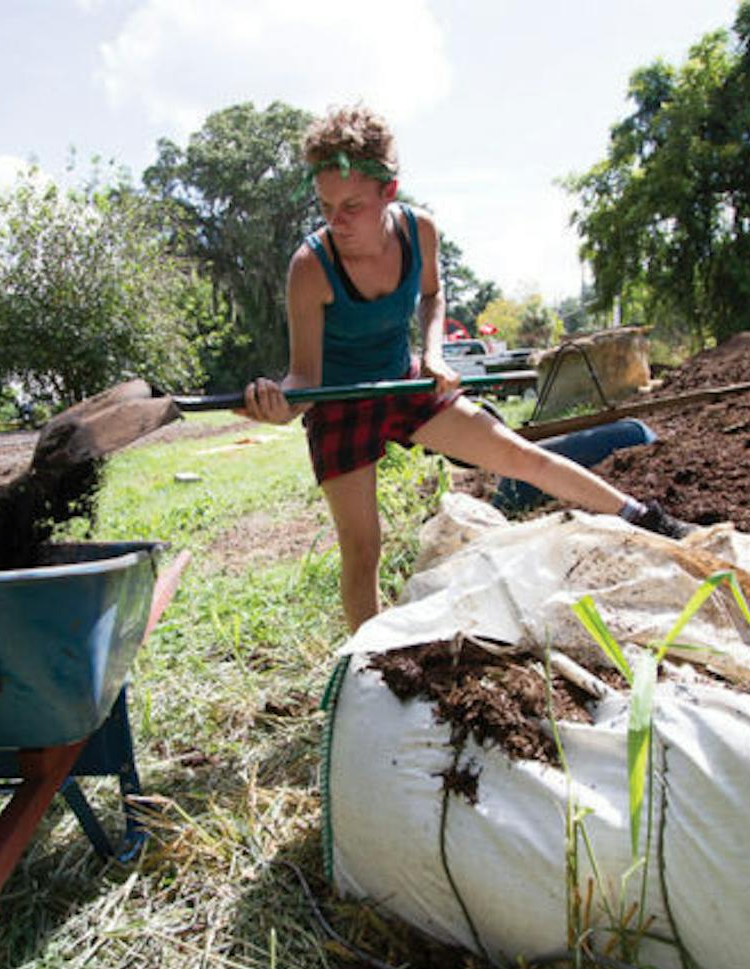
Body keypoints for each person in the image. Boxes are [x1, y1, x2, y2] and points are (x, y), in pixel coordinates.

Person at [240, 104, 694, 631]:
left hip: (405, 380)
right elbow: (305, 380)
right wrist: (277, 406)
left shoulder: (419, 232)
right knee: (363, 550)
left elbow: (432, 297)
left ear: (389, 192)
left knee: (519, 456)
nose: (335, 221)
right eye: (324, 206)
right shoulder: (310, 267)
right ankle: (368, 669)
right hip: (340, 402)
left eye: (351, 206)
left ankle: (646, 518)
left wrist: (434, 355)